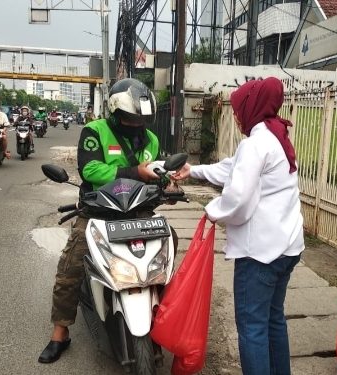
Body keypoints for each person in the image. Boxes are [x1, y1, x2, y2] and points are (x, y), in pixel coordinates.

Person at [172, 77, 304, 375]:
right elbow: (232, 168)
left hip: (261, 254)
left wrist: (212, 211)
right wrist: (194, 170)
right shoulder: (275, 137)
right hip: (287, 247)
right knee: (273, 320)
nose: (235, 113)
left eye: (238, 106)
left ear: (252, 106)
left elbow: (239, 199)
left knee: (253, 328)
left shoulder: (257, 143)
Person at [38, 78, 163, 364]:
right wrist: (136, 173)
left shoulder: (152, 140)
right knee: (71, 265)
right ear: (116, 113)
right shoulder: (95, 131)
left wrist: (166, 183)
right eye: (131, 118)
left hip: (138, 212)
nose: (136, 124)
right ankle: (60, 332)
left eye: (141, 119)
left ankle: (161, 323)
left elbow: (156, 171)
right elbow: (91, 170)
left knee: (164, 262)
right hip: (99, 212)